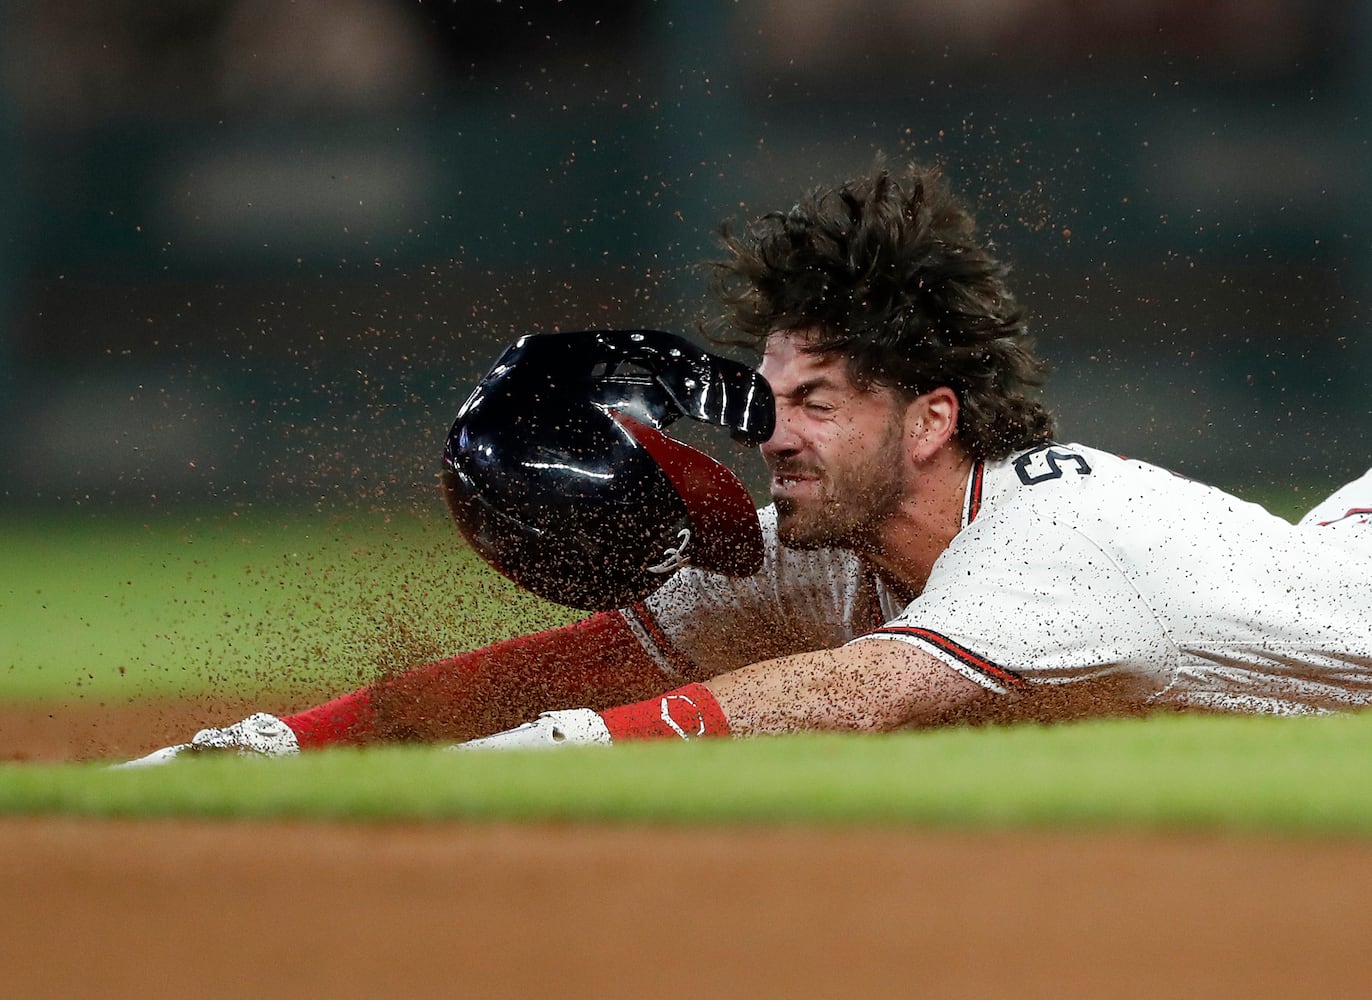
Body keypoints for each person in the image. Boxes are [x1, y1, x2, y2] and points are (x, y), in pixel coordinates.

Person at [120, 161, 1372, 764]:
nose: (774, 434)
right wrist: (274, 741)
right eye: (769, 399)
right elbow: (584, 658)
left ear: (929, 421)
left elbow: (848, 693)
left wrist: (547, 757)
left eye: (818, 402)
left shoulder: (1049, 548)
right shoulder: (817, 547)